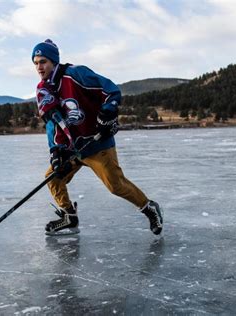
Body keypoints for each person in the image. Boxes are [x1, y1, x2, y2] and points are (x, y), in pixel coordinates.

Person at [32, 39, 163, 236]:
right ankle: (69, 216)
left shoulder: (76, 74)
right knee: (53, 178)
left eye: (43, 61)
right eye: (35, 63)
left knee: (115, 186)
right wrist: (55, 150)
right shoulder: (43, 91)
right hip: (71, 148)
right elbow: (52, 124)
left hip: (96, 143)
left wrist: (107, 113)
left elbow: (110, 90)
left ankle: (149, 207)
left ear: (54, 60)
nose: (39, 67)